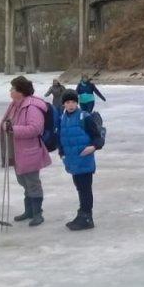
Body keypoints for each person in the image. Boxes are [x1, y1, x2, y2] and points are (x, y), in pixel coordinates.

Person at [0, 76, 52, 227]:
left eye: (12, 88)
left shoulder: (32, 107)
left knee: (32, 182)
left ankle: (37, 213)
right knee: (23, 181)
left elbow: (35, 129)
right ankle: (29, 210)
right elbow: (6, 125)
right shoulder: (14, 105)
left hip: (29, 151)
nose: (10, 91)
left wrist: (11, 129)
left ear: (20, 92)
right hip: (16, 151)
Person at [57, 89, 104, 231]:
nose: (70, 105)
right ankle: (82, 213)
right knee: (80, 188)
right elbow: (61, 138)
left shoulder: (85, 117)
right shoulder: (62, 119)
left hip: (84, 160)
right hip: (72, 161)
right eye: (67, 102)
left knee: (85, 189)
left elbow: (97, 136)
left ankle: (87, 217)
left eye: (73, 102)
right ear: (64, 104)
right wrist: (62, 153)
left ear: (77, 103)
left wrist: (94, 147)